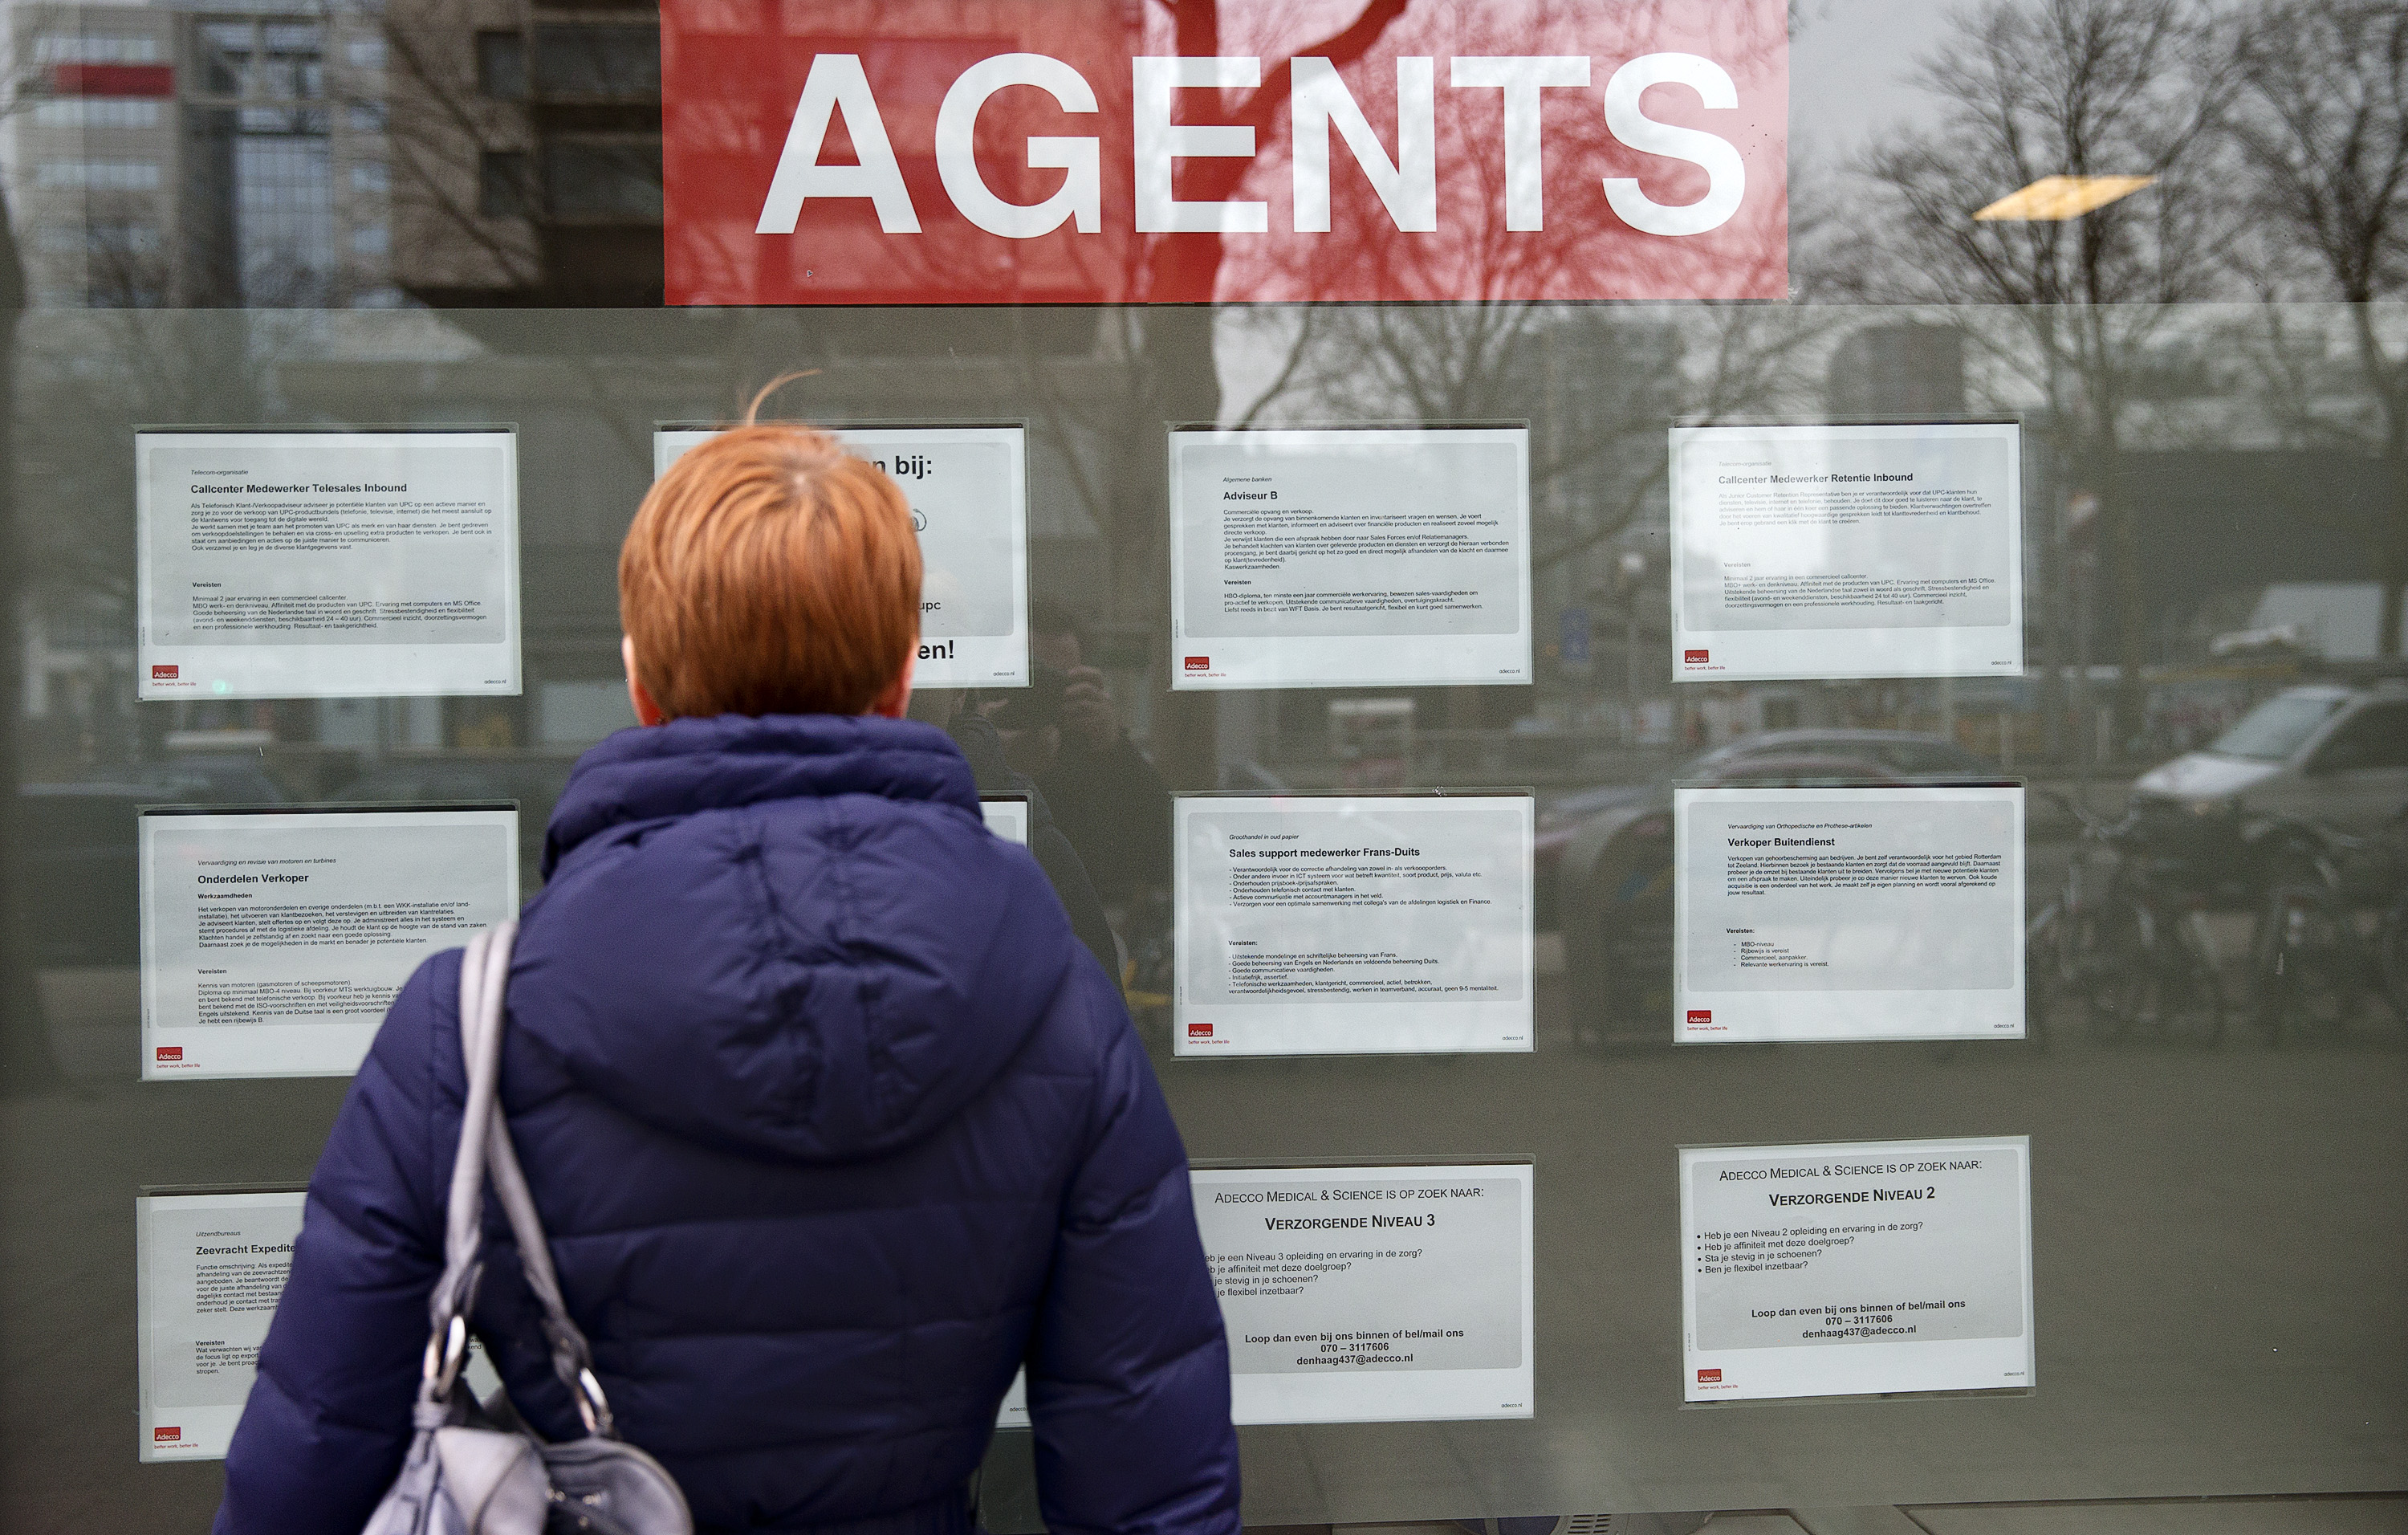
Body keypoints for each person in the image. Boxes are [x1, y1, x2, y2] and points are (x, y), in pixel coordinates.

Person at [215, 421, 1241, 1535]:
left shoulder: (464, 1026)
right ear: (904, 676)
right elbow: (1149, 1474)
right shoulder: (1056, 1002)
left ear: (641, 680)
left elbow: (312, 1459)